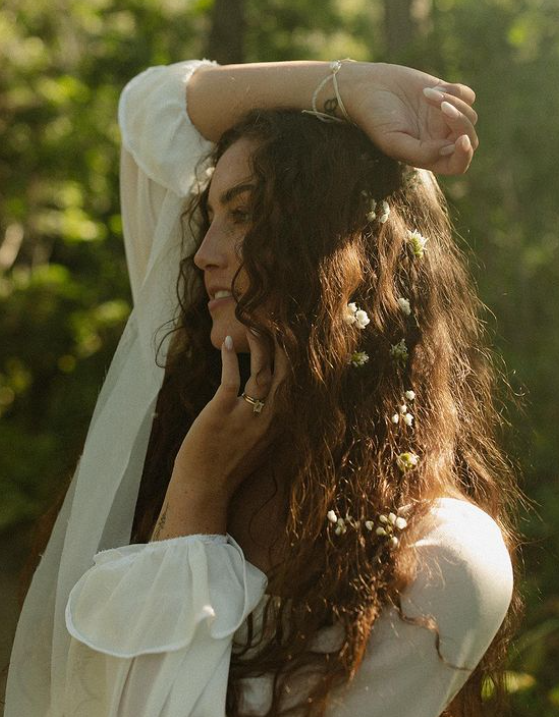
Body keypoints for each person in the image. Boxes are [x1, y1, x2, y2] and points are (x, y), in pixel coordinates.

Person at [4, 58, 522, 717]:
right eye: (210, 213)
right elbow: (151, 107)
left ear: (345, 249)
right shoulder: (182, 388)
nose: (203, 252)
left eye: (245, 214)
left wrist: (195, 497)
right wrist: (346, 83)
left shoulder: (438, 557)